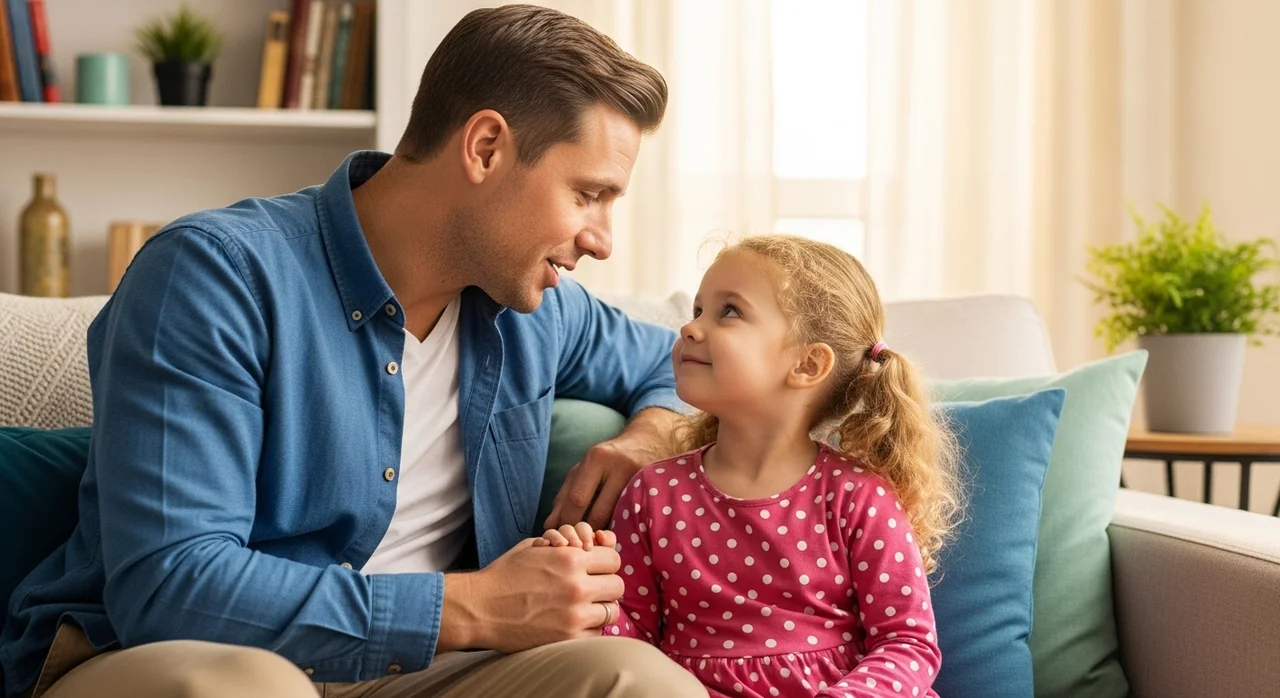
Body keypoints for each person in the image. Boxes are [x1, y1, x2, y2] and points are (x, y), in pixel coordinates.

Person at [0, 5, 708, 698]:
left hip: (418, 669)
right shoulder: (213, 276)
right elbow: (170, 586)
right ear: (486, 147)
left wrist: (646, 442)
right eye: (589, 194)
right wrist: (474, 606)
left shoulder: (536, 309)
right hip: (168, 658)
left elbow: (673, 366)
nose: (603, 238)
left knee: (640, 681)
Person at [539, 235, 963, 697]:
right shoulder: (653, 492)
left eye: (729, 312)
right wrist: (585, 582)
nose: (691, 328)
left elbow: (908, 643)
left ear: (808, 364)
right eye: (698, 310)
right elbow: (634, 637)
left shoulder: (857, 497)